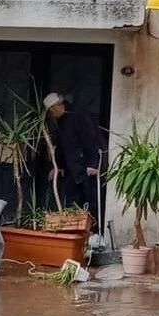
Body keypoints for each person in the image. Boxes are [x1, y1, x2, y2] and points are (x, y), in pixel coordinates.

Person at [44, 93, 106, 232]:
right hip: (72, 168)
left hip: (86, 166)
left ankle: (94, 232)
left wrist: (92, 164)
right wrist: (58, 166)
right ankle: (75, 232)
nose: (51, 115)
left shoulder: (78, 114)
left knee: (91, 201)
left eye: (51, 111)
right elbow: (62, 146)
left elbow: (91, 139)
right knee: (73, 202)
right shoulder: (60, 121)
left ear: (57, 106)